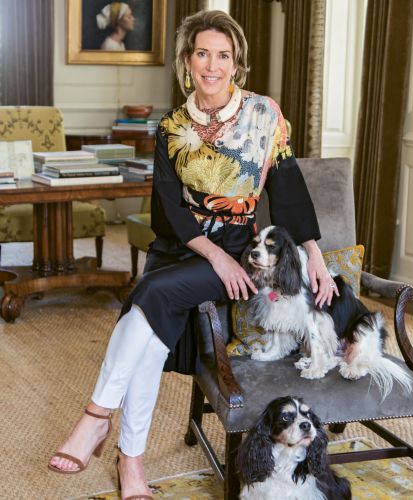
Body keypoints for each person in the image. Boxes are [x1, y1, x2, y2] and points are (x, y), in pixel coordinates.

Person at [48, 10, 339, 499]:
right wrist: (211, 256)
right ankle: (130, 461)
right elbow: (167, 203)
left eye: (223, 56)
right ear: (187, 61)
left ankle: (96, 416)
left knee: (150, 295)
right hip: (183, 246)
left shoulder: (265, 115)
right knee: (148, 331)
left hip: (239, 252)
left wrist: (313, 253)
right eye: (202, 54)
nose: (212, 65)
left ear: (236, 64)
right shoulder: (171, 126)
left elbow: (288, 189)